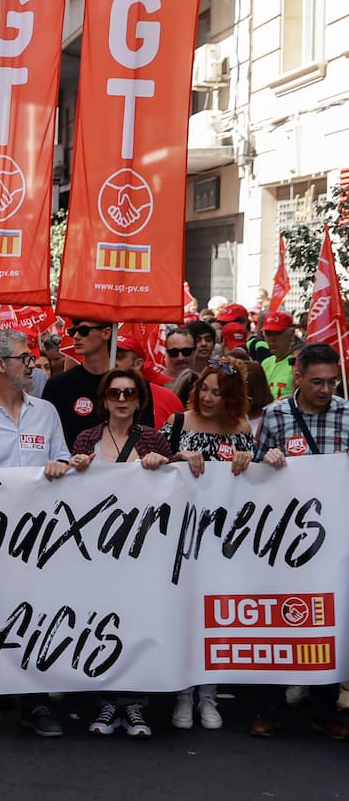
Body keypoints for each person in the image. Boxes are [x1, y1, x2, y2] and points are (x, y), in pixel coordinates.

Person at [0, 329, 70, 738]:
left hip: (41, 536)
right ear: (0, 365)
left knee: (37, 614)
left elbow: (62, 457)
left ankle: (35, 700)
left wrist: (61, 465)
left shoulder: (47, 413)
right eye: (25, 358)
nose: (32, 364)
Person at [252, 341, 349, 738]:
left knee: (328, 619)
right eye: (317, 382)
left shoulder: (346, 414)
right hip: (285, 538)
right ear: (298, 377)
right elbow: (253, 471)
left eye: (332, 382)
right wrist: (267, 460)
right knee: (280, 618)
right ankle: (270, 707)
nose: (326, 390)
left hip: (335, 537)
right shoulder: (275, 415)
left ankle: (324, 707)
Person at [70, 368, 172, 739]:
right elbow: (71, 494)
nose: (123, 400)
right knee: (101, 623)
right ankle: (106, 701)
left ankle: (134, 704)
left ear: (140, 399)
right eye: (115, 393)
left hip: (142, 549)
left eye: (130, 393)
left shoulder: (153, 439)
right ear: (104, 399)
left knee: (136, 623)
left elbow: (175, 488)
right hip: (96, 550)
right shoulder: (87, 438)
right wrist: (74, 466)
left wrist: (165, 464)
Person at [159, 357, 254, 732]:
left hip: (222, 538)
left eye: (218, 392)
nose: (208, 397)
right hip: (180, 536)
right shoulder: (177, 423)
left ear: (232, 398)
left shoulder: (241, 428)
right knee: (184, 613)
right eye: (204, 389)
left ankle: (208, 693)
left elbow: (252, 481)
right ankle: (184, 692)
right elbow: (152, 464)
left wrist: (249, 459)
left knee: (214, 615)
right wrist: (178, 457)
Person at [41, 319, 114, 449]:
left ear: (106, 333)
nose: (76, 336)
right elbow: (45, 435)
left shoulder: (130, 384)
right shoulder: (58, 385)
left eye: (83, 331)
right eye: (72, 331)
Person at [257, 311, 298, 400]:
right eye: (268, 333)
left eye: (278, 333)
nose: (272, 339)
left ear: (291, 334)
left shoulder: (298, 363)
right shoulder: (265, 363)